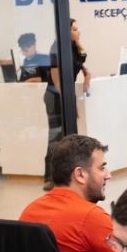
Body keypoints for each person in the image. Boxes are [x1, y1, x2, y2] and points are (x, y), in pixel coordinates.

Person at [20, 135, 115, 252]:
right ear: (80, 175)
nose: (108, 175)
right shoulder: (92, 217)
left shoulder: (29, 212)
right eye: (101, 168)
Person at [44, 19, 91, 190]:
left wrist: (87, 76)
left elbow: (81, 66)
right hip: (55, 95)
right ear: (66, 31)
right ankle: (50, 178)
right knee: (56, 137)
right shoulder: (56, 47)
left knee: (70, 135)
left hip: (67, 94)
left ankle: (68, 174)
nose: (78, 32)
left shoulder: (73, 48)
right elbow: (56, 78)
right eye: (75, 29)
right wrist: (67, 100)